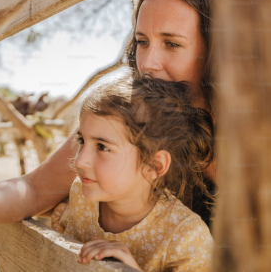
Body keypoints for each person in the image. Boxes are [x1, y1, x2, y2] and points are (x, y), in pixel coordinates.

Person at [0, 0, 217, 227]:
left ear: (215, 52)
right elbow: (34, 190)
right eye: (142, 41)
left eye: (171, 44)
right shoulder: (126, 115)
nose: (148, 64)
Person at [50, 73, 214, 271]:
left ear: (154, 165)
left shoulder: (186, 237)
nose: (80, 160)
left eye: (102, 147)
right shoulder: (80, 196)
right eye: (82, 141)